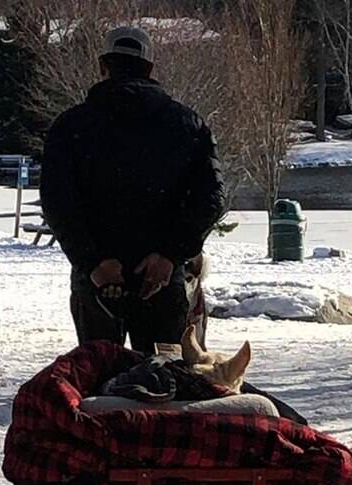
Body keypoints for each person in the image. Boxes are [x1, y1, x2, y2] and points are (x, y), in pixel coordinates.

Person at [40, 26, 224, 353]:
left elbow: (58, 203)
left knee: (97, 382)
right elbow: (210, 199)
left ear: (103, 67)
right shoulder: (187, 124)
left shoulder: (70, 126)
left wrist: (93, 262)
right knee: (166, 385)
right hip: (162, 278)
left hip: (98, 278)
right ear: (150, 69)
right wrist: (169, 256)